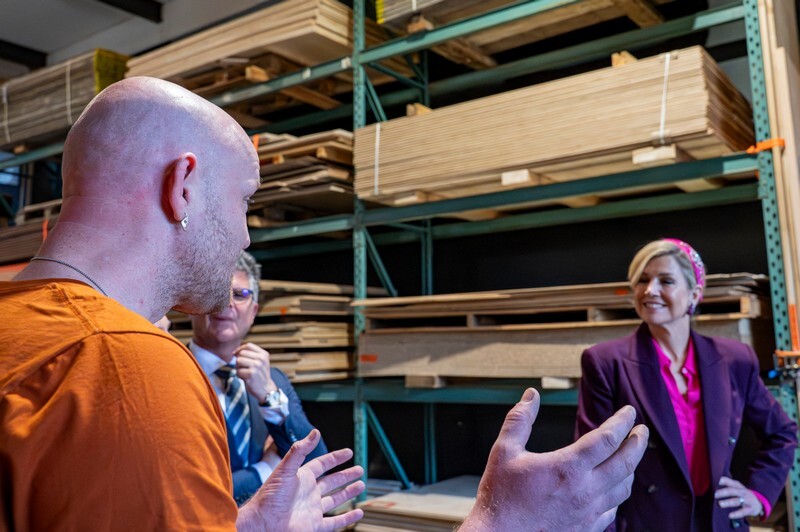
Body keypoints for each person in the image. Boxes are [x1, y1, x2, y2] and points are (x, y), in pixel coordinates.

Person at [1, 76, 649, 530]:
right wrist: (503, 523)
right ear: (184, 187)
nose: (246, 236)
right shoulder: (128, 367)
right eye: (244, 202)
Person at [575, 238, 798, 531]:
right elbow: (591, 464)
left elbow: (782, 432)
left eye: (666, 281)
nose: (650, 290)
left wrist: (759, 494)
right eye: (642, 280)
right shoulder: (605, 362)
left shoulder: (735, 360)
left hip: (717, 521)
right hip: (648, 524)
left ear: (694, 294)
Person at [190, 250, 327, 505]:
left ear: (253, 311)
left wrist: (269, 397)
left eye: (239, 294)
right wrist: (266, 470)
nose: (227, 302)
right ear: (191, 306)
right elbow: (190, 492)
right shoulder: (171, 375)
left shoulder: (272, 379)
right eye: (216, 291)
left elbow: (316, 464)